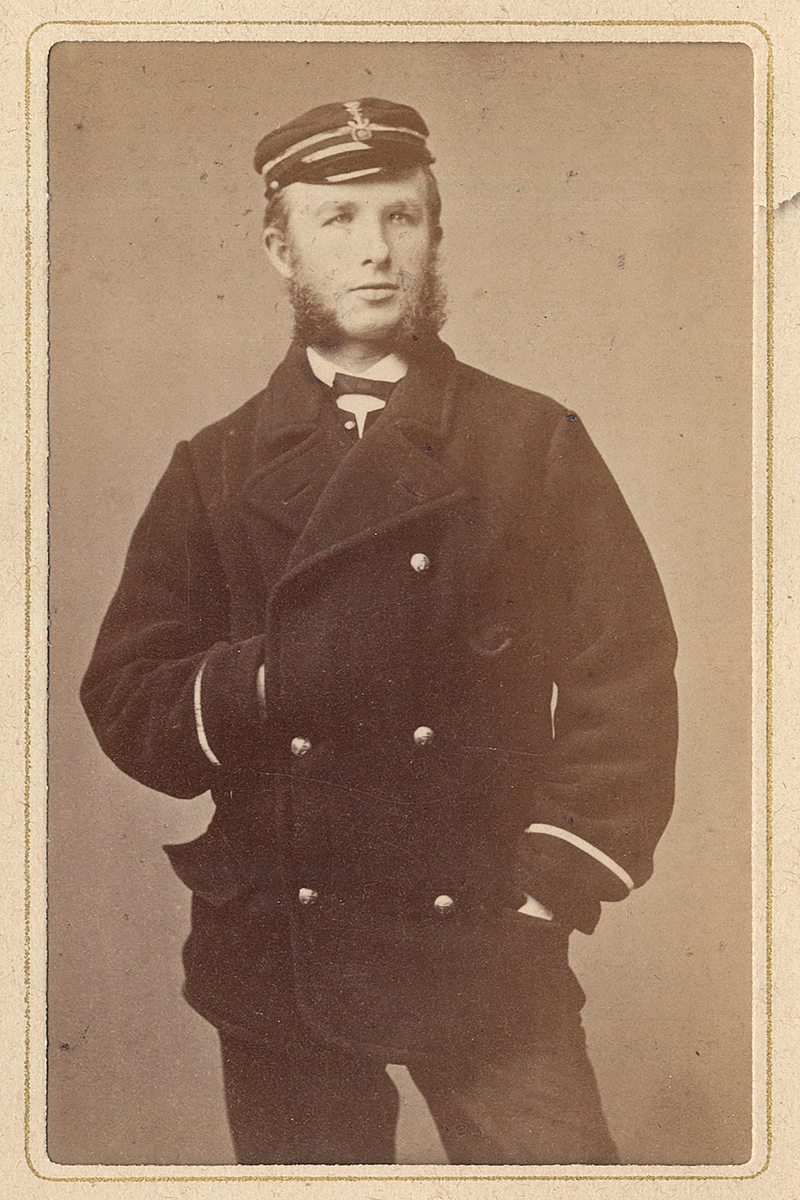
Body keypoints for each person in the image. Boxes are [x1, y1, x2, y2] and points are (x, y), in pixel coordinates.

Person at [81, 97, 679, 1166]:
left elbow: (625, 672)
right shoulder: (214, 465)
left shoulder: (529, 441)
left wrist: (551, 884)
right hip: (284, 938)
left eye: (401, 216)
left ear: (433, 234)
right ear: (280, 248)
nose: (376, 251)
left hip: (481, 934)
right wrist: (275, 680)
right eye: (339, 218)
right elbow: (128, 697)